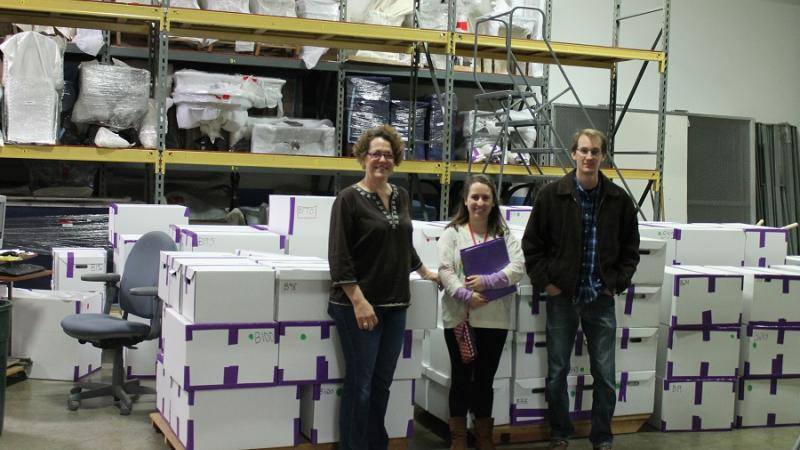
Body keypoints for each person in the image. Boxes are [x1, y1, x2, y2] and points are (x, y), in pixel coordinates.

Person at [522, 128, 640, 450]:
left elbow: (631, 251)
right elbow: (532, 246)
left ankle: (602, 437)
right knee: (557, 372)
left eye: (596, 151)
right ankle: (560, 434)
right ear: (573, 153)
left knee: (605, 375)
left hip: (600, 299)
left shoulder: (618, 200)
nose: (589, 157)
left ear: (603, 156)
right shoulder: (551, 196)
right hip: (563, 298)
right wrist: (548, 282)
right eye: (584, 150)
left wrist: (613, 284)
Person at [328, 124, 438, 450]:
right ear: (363, 157)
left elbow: (403, 243)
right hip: (358, 307)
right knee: (360, 385)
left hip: (395, 305)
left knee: (381, 384)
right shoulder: (348, 199)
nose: (382, 160)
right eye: (375, 153)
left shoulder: (400, 195)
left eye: (388, 155)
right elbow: (339, 256)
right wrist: (359, 301)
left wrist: (425, 271)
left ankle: (376, 444)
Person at [437, 174, 525, 450]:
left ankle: (484, 436)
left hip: (495, 318)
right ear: (465, 200)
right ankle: (459, 439)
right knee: (461, 379)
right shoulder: (453, 232)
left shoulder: (503, 233)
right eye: (474, 197)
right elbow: (444, 270)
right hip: (461, 318)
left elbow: (518, 267)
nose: (480, 202)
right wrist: (466, 295)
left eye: (486, 197)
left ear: (493, 202)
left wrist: (488, 281)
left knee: (485, 379)